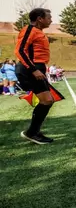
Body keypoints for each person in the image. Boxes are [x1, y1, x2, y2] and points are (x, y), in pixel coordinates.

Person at [15, 8, 59, 144]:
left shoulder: (39, 32)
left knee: (48, 100)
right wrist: (33, 69)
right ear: (40, 19)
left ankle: (34, 132)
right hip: (30, 68)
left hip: (37, 67)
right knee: (47, 101)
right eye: (49, 17)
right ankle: (32, 133)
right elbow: (19, 51)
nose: (51, 20)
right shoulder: (29, 30)